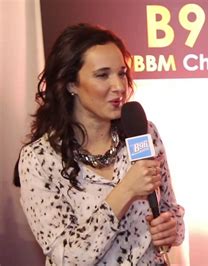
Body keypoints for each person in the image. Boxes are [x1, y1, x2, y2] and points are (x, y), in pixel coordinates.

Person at [18, 23, 184, 265]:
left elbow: (170, 210)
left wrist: (171, 229)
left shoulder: (142, 132)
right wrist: (125, 190)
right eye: (102, 75)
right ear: (71, 84)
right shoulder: (39, 159)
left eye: (121, 73)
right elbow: (67, 258)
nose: (119, 86)